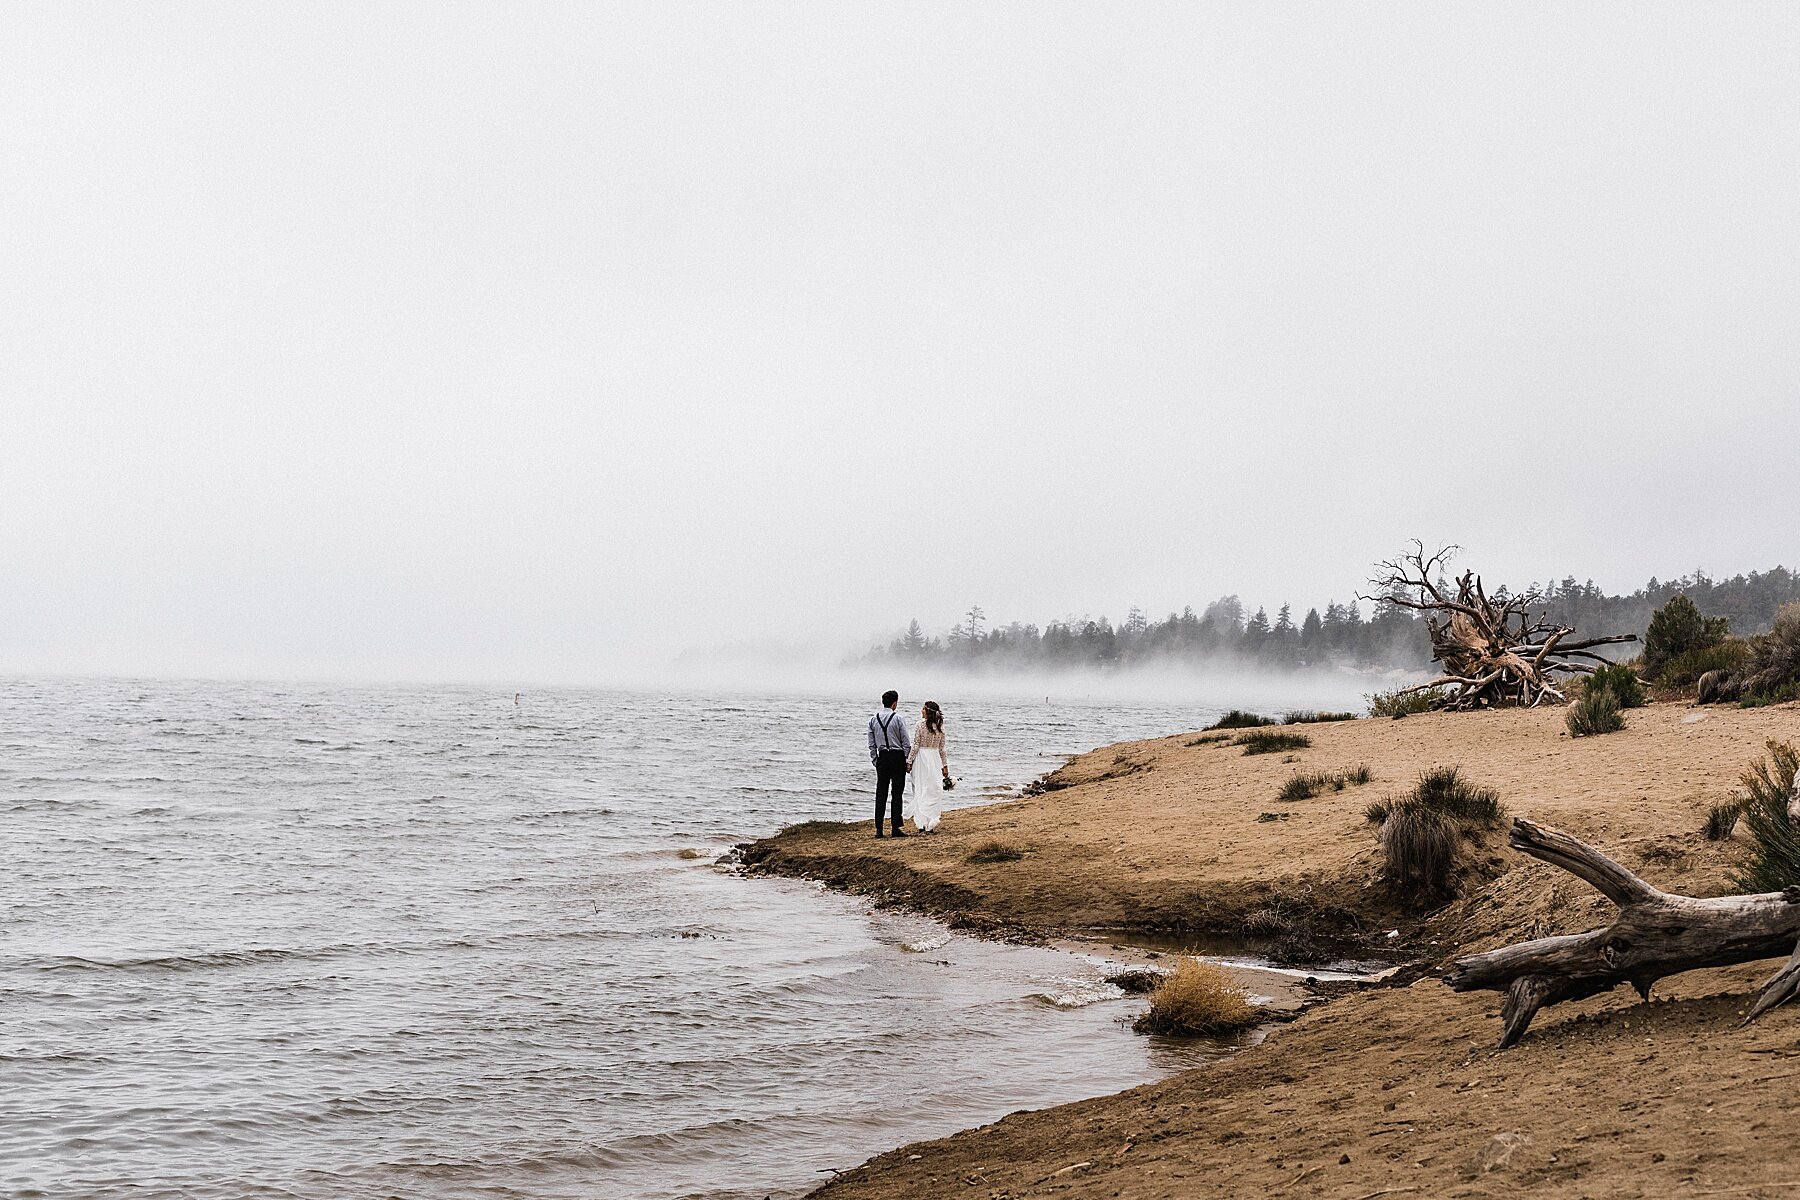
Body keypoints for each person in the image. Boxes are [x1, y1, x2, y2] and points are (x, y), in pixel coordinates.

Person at [867, 689, 911, 838]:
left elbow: (871, 744)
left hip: (882, 758)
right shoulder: (898, 719)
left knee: (881, 794)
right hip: (897, 757)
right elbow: (906, 741)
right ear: (894, 703)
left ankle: (879, 829)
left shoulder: (874, 719)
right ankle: (895, 828)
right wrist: (906, 759)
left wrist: (875, 760)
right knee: (897, 793)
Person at [906, 700, 951, 833]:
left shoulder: (919, 725)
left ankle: (922, 823)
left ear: (928, 712)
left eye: (923, 709)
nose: (921, 711)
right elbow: (942, 749)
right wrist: (945, 765)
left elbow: (915, 745)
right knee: (933, 788)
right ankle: (931, 818)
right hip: (935, 758)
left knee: (921, 788)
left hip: (921, 759)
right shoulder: (941, 727)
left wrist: (909, 761)